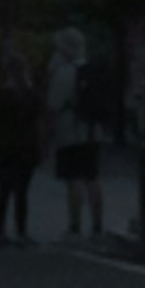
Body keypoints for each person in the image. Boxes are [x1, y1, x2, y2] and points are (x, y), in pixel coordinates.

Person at [47, 23, 111, 244]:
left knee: (73, 180)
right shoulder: (91, 70)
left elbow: (53, 106)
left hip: (70, 133)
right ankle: (97, 226)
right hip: (94, 132)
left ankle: (75, 227)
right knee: (92, 178)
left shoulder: (64, 72)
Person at [0, 38, 44, 248]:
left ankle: (0, 232)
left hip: (3, 146)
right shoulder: (32, 95)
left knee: (3, 191)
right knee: (22, 192)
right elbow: (38, 122)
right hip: (26, 147)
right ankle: (21, 232)